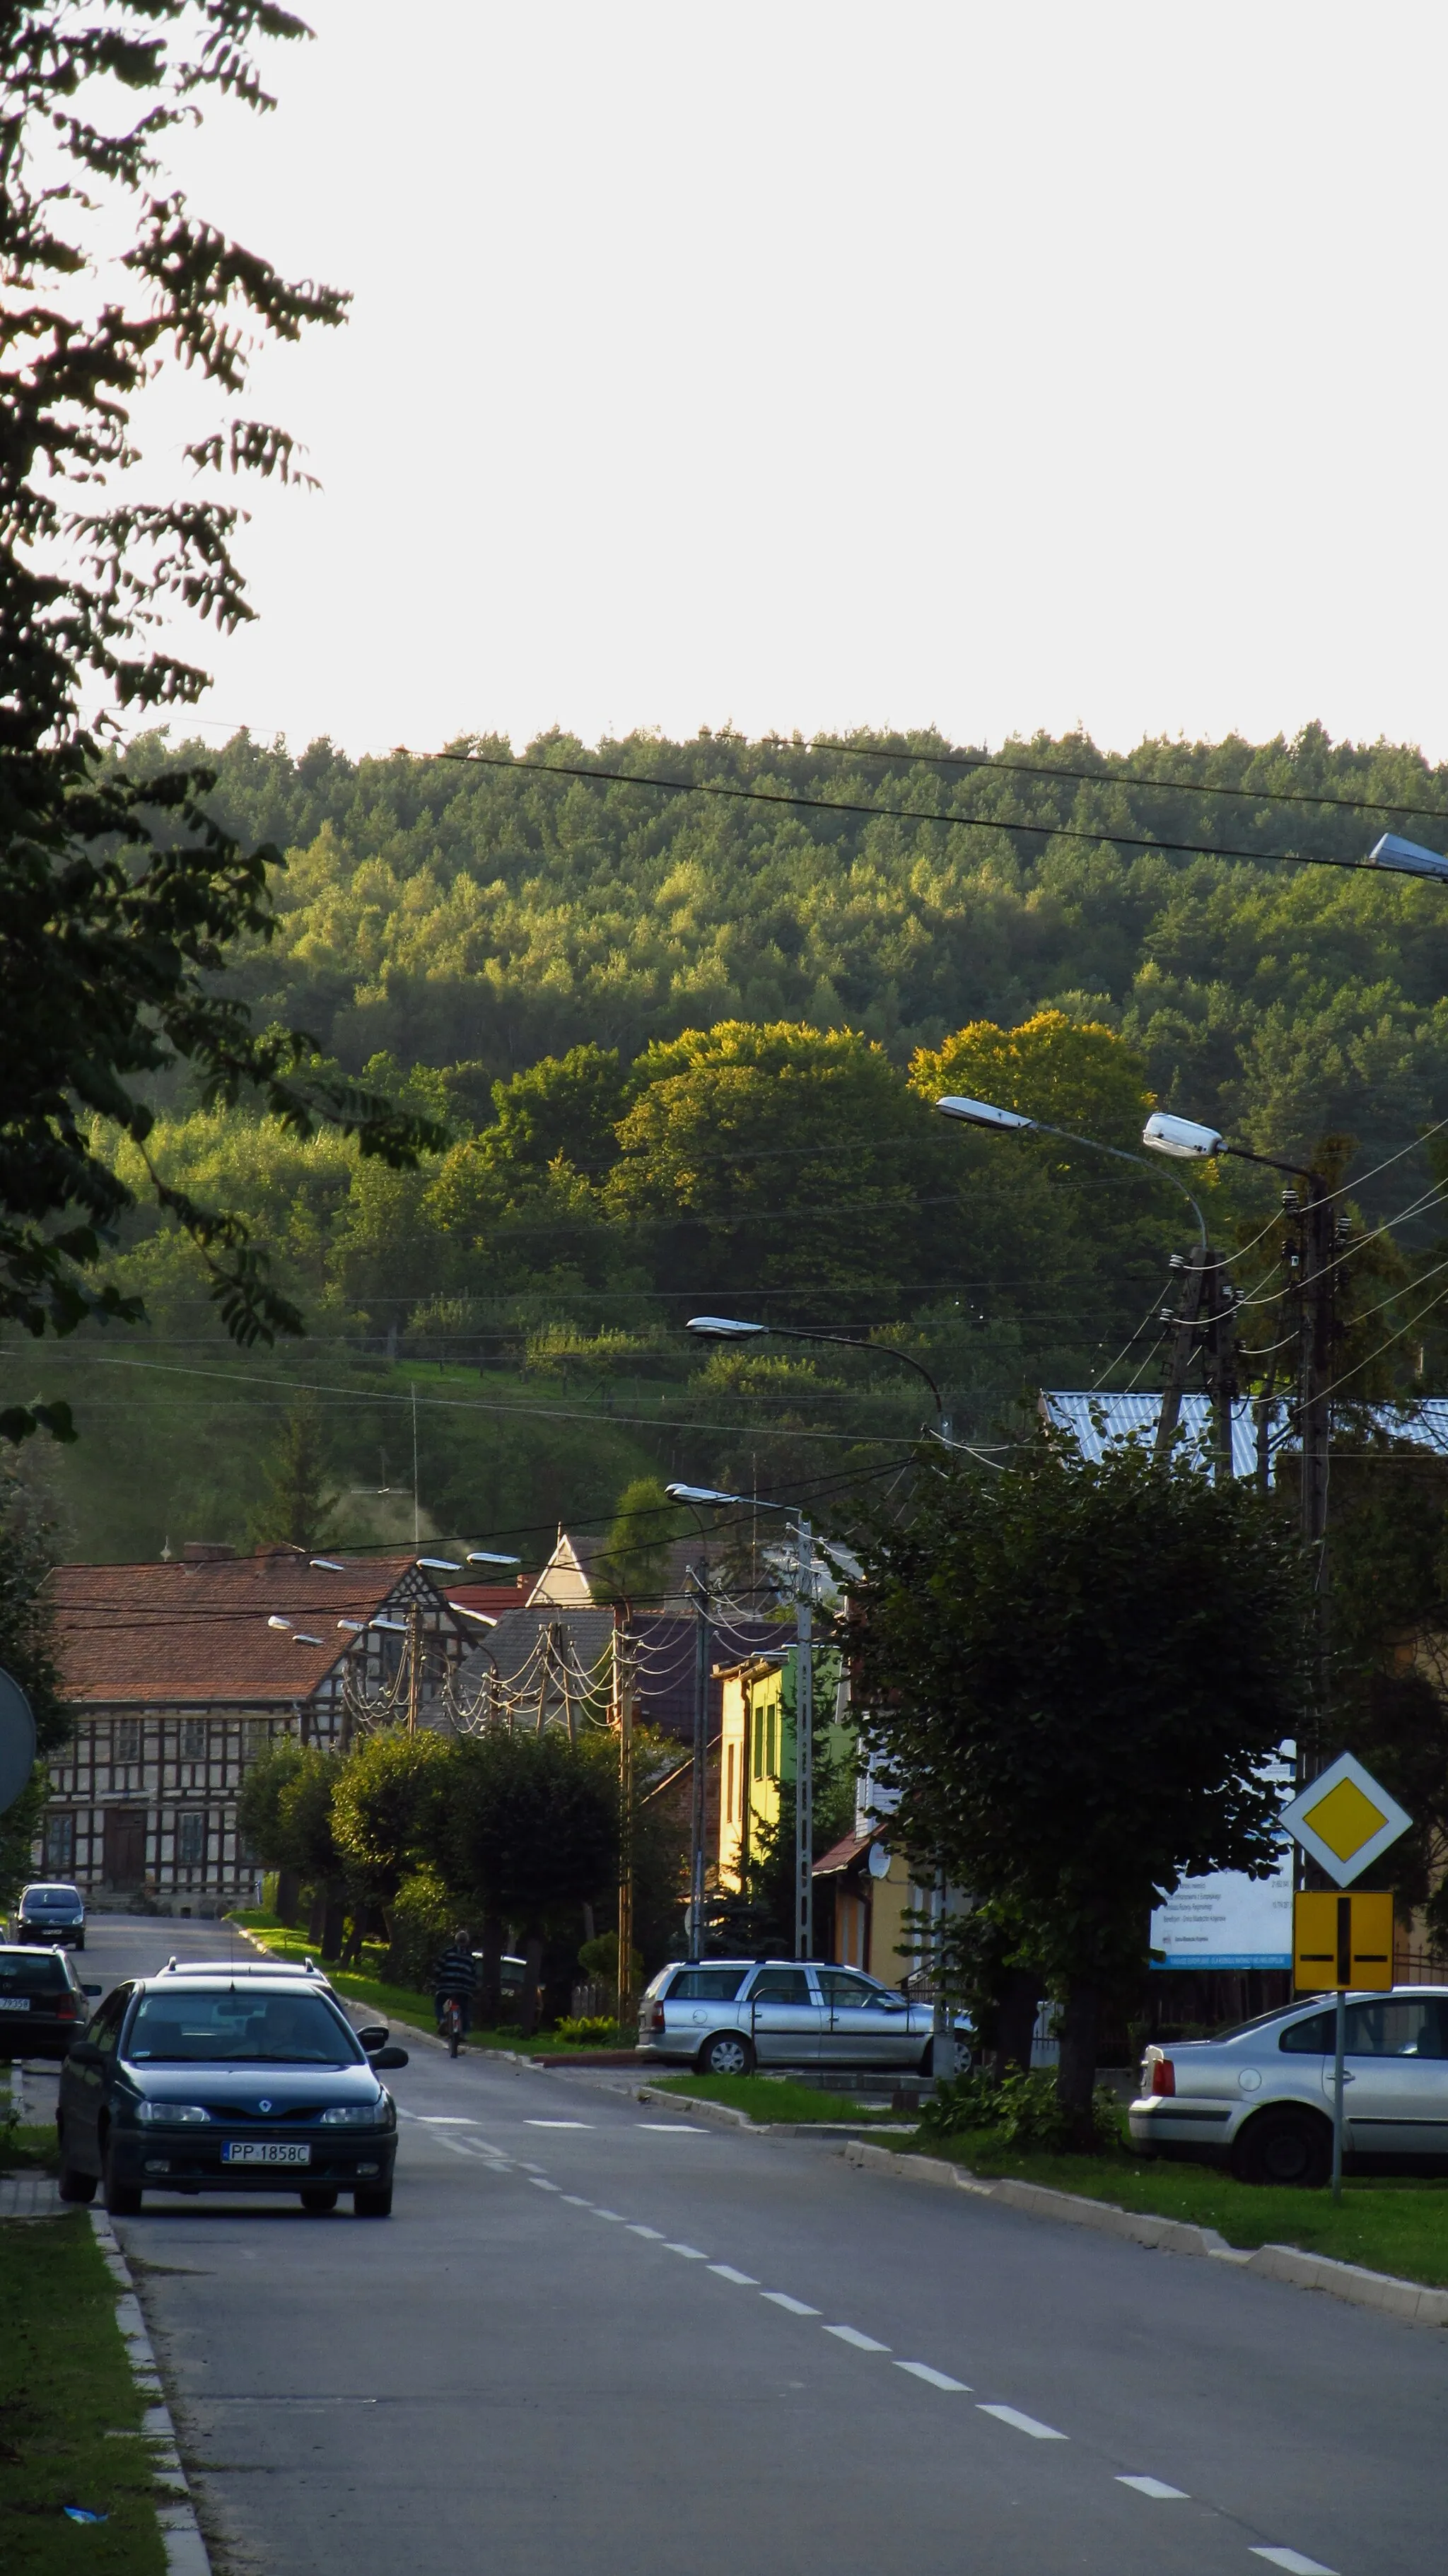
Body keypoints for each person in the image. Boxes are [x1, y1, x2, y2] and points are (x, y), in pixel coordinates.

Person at [431, 1928, 478, 2039]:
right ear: (467, 1942)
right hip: (464, 1989)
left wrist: (436, 1980)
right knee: (465, 2009)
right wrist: (472, 1988)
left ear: (456, 1941)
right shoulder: (471, 1959)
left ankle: (443, 2020)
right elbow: (473, 1976)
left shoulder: (447, 1953)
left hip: (446, 1986)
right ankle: (464, 2032)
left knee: (439, 2003)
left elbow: (438, 1969)